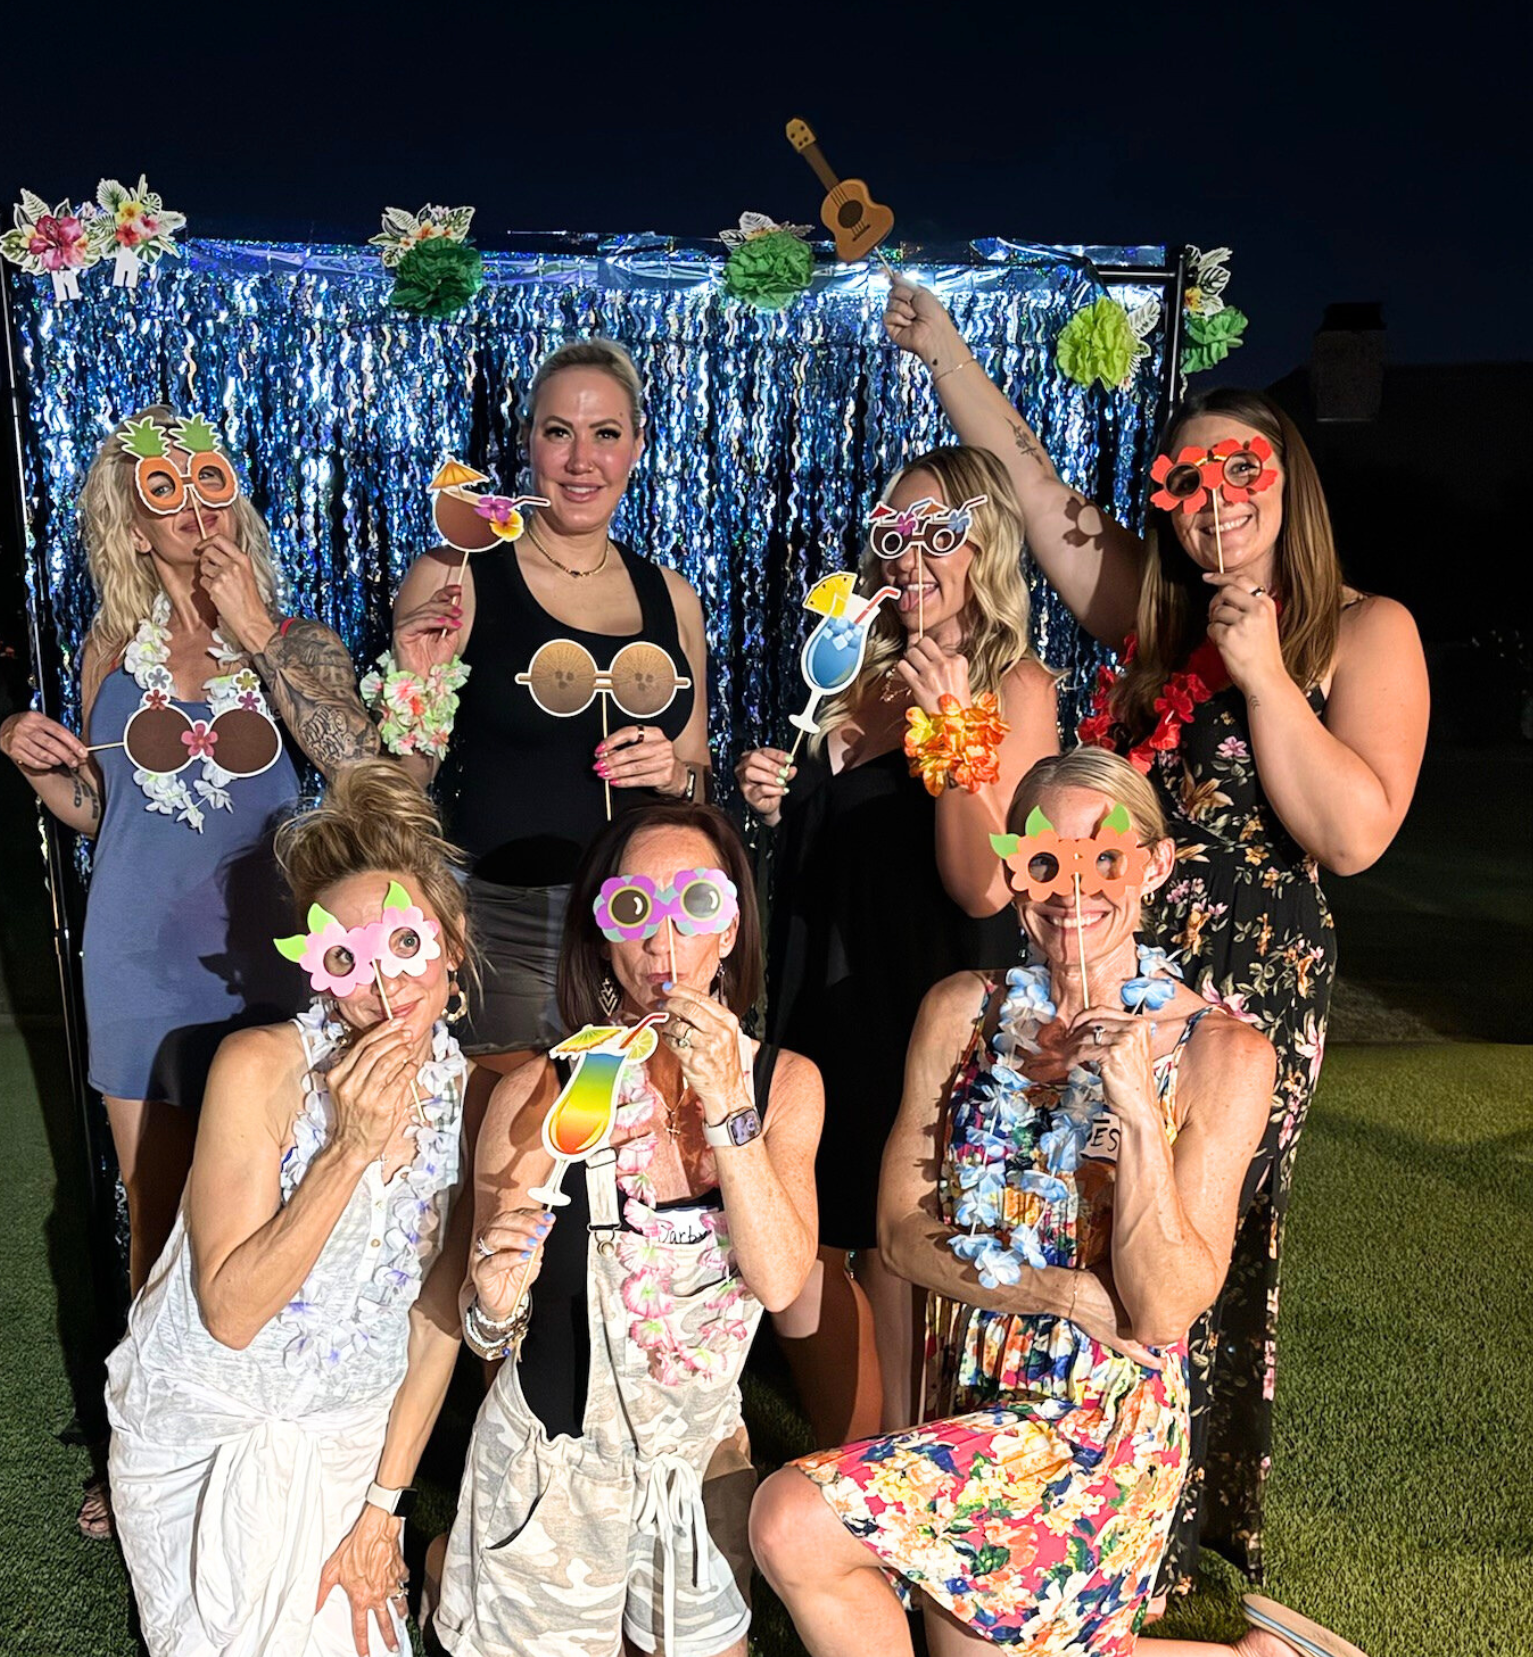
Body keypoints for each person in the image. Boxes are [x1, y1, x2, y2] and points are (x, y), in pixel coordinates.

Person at [749, 748, 1429, 1657]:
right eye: (1045, 860)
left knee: (790, 1521)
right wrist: (1051, 1290)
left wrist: (1137, 1119)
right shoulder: (962, 1012)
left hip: (1096, 1426)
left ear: (1154, 867)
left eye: (1104, 857)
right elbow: (901, 1232)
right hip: (977, 1384)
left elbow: (1162, 1307)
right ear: (1014, 872)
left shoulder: (1224, 1054)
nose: (1074, 889)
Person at [882, 283, 1429, 1588]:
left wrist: (1267, 676)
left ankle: (1163, 1533)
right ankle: (1045, 1492)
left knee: (1188, 1234)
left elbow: (1353, 833)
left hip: (1247, 992)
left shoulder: (1365, 630)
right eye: (1188, 480)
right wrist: (945, 350)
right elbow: (1033, 484)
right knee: (1068, 1207)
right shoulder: (1152, 618)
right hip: (1107, 950)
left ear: (1289, 486)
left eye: (1244, 472)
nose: (1216, 499)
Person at [0, 405, 382, 1534]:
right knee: (156, 1212)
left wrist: (257, 633)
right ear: (132, 522)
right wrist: (41, 768)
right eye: (162, 492)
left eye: (209, 481)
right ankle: (148, 1455)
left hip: (269, 962)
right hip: (138, 962)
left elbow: (359, 766)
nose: (194, 508)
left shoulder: (300, 639)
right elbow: (103, 811)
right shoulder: (107, 649)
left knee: (274, 1206)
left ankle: (267, 1437)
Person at [426, 802, 821, 1657]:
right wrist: (491, 1300)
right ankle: (455, 1574)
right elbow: (484, 1331)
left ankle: (566, 1627)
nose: (664, 939)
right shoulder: (542, 1090)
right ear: (602, 934)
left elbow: (782, 1280)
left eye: (695, 904)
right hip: (558, 1474)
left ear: (731, 928)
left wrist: (728, 1106)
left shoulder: (785, 1086)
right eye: (633, 908)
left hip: (696, 1468)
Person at [104, 763, 471, 1657]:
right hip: (207, 1408)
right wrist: (345, 1150)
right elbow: (229, 1313)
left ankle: (424, 1553)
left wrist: (382, 1511)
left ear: (451, 947)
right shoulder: (261, 1067)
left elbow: (436, 1323)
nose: (384, 984)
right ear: (317, 972)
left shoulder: (477, 1095)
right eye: (347, 958)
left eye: (407, 944)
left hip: (342, 1423)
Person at [735, 448, 1058, 1446]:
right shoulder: (854, 675)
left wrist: (955, 727)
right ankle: (854, 1465)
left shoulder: (1016, 687)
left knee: (898, 1252)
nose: (909, 558)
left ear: (985, 544)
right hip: (821, 1009)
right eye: (893, 535)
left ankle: (897, 1478)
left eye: (938, 534)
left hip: (921, 1012)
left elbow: (985, 885)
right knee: (807, 1246)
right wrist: (781, 800)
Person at [391, 339, 713, 1084]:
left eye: (605, 434)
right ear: (529, 440)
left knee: (636, 1134)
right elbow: (406, 783)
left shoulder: (673, 597)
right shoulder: (457, 574)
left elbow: (699, 782)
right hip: (506, 928)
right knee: (512, 1138)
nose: (581, 460)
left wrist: (675, 776)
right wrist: (414, 691)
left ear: (636, 446)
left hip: (644, 931)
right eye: (559, 431)